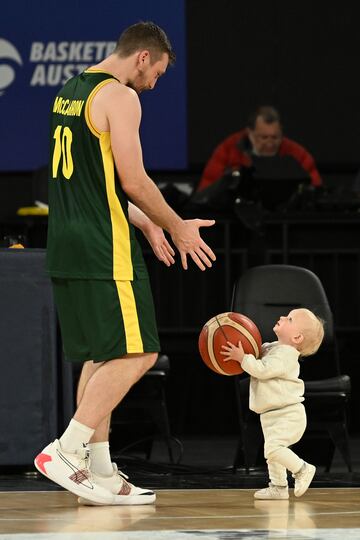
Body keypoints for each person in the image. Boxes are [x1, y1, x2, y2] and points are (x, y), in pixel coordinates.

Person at [34, 21, 216, 506]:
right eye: (156, 72)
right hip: (102, 246)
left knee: (101, 352)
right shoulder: (120, 96)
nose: (155, 83)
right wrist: (177, 225)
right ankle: (67, 449)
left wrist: (146, 222)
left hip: (66, 242)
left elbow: (97, 186)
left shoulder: (71, 91)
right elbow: (133, 180)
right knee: (139, 353)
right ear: (142, 57)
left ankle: (100, 469)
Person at [221, 308, 324, 500]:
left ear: (297, 337)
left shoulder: (286, 354)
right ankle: (278, 486)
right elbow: (260, 351)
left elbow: (262, 370)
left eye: (290, 319)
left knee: (273, 449)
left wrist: (242, 358)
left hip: (288, 414)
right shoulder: (275, 347)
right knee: (273, 453)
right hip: (273, 414)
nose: (283, 317)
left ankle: (302, 469)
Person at [197, 106, 322, 192]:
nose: (270, 143)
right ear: (250, 133)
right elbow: (205, 192)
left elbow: (316, 187)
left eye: (275, 137)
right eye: (264, 137)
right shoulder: (228, 150)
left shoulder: (297, 154)